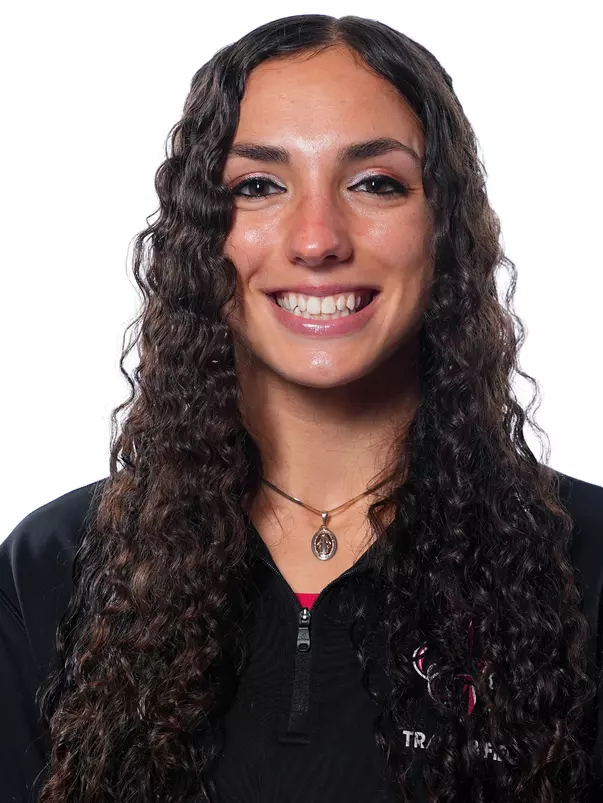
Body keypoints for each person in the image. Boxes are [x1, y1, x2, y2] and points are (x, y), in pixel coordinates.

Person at [1, 12, 602, 803]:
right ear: (199, 237)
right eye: (258, 186)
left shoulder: (587, 565)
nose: (317, 239)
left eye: (374, 183)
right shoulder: (56, 566)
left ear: (443, 229)